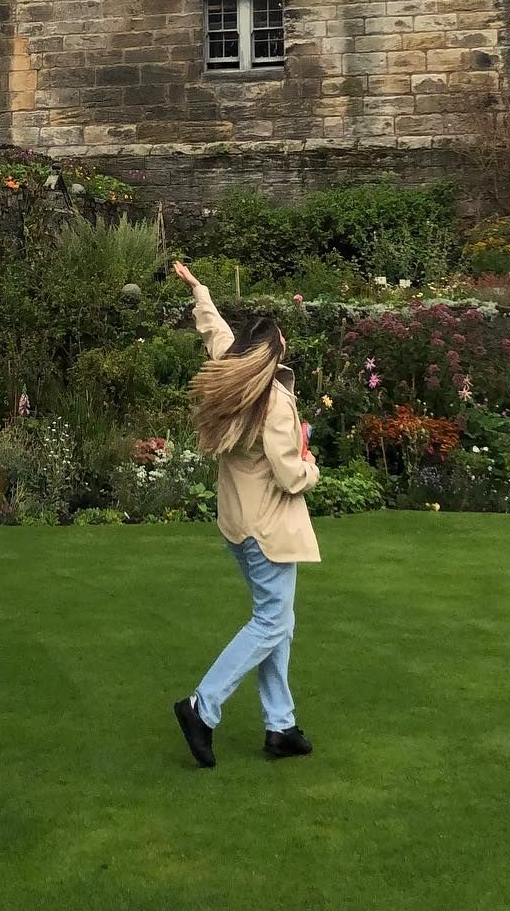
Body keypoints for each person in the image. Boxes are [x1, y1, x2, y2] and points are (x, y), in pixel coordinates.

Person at [170, 260, 321, 768]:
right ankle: (202, 706)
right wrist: (311, 467)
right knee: (271, 623)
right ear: (273, 353)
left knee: (280, 621)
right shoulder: (273, 402)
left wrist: (200, 292)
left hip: (239, 527)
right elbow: (289, 474)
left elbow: (217, 335)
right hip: (269, 532)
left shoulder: (234, 382)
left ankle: (280, 726)